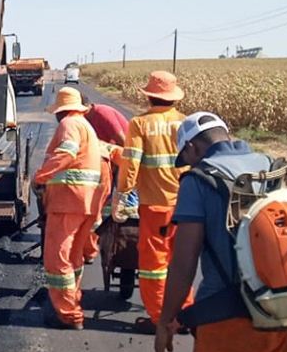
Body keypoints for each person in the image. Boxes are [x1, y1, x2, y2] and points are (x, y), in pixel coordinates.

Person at [155, 112, 287, 352]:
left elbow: (184, 261)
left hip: (228, 322)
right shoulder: (273, 166)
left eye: (186, 157)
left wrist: (166, 320)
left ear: (192, 148)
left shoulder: (198, 179)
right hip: (284, 315)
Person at [113, 71, 193, 334]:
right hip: (186, 205)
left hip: (155, 206)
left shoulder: (140, 124)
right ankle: (185, 314)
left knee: (153, 266)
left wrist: (123, 192)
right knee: (181, 261)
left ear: (148, 96)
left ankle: (161, 318)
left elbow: (131, 161)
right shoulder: (185, 123)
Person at [34, 87, 103, 330]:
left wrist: (41, 176)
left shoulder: (70, 125)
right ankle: (72, 303)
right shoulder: (87, 126)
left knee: (56, 257)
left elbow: (66, 153)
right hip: (85, 202)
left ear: (61, 111)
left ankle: (66, 313)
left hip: (68, 199)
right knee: (74, 257)